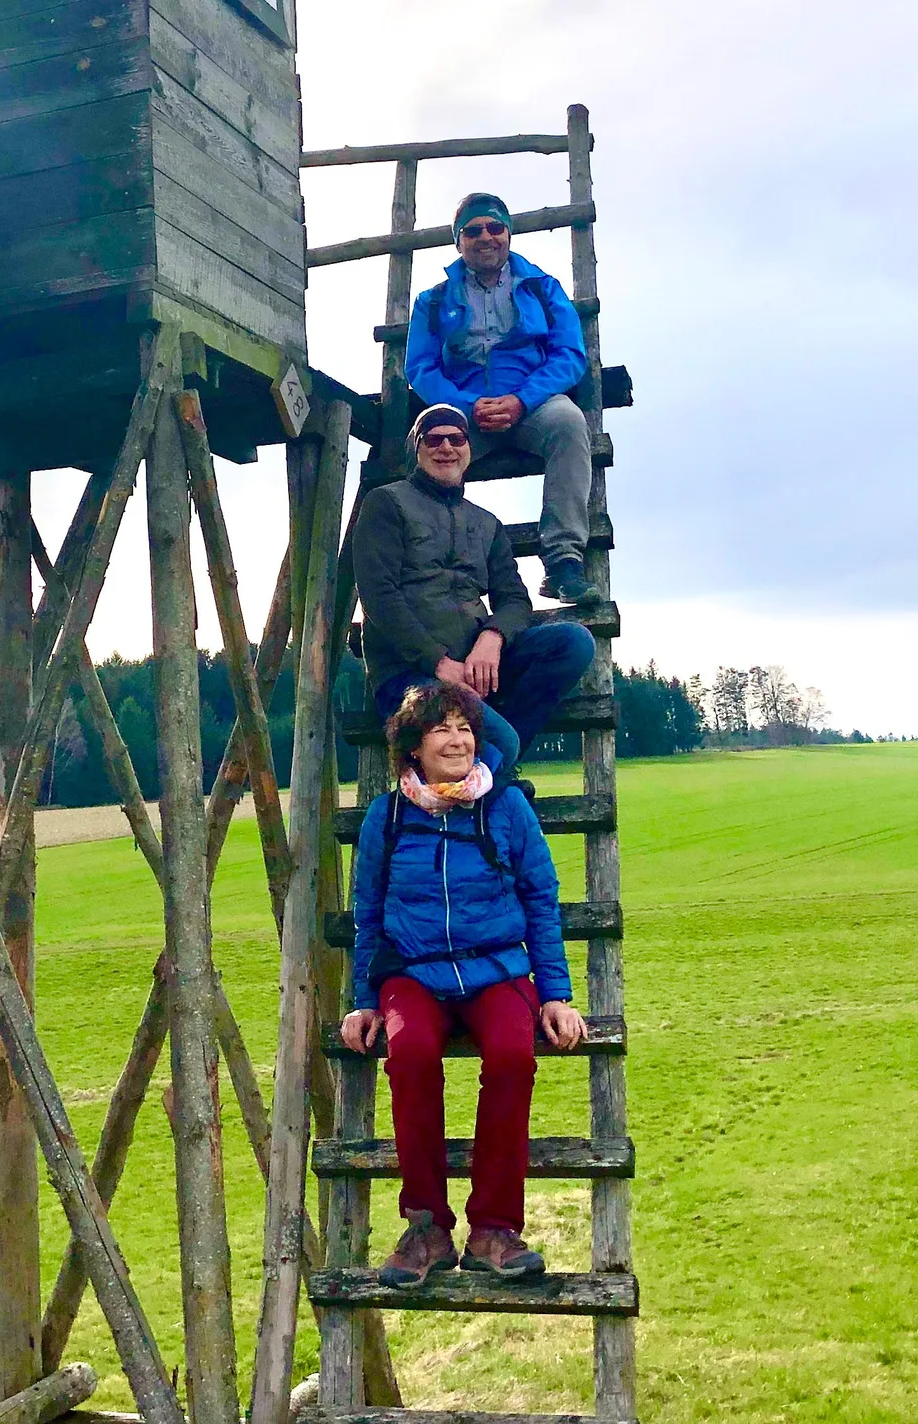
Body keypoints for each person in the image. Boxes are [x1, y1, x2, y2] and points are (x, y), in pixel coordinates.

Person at [340, 680, 587, 1282]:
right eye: (440, 728)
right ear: (412, 748)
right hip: (413, 974)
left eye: (464, 728)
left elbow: (541, 898)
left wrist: (556, 993)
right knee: (412, 1052)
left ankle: (494, 1229)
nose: (456, 739)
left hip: (498, 968)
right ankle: (426, 1227)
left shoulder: (506, 806)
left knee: (511, 1054)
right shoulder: (387, 816)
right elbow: (367, 910)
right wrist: (364, 1001)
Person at [352, 401, 595, 771]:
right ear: (416, 449)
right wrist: (438, 662)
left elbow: (515, 599)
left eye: (456, 439)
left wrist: (493, 638)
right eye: (433, 440)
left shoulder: (486, 524)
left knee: (573, 643)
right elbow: (379, 597)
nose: (445, 448)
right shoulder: (386, 503)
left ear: (468, 450)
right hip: (410, 677)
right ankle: (499, 773)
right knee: (504, 743)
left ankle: (486, 764)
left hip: (476, 671)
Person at [404, 192, 594, 604]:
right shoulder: (432, 301)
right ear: (458, 241)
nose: (485, 237)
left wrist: (522, 400)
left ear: (509, 233)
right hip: (465, 410)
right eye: (472, 231)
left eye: (494, 227)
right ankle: (424, 573)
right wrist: (464, 406)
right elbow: (419, 368)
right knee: (426, 446)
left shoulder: (543, 288)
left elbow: (570, 355)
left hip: (533, 403)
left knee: (569, 423)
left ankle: (563, 560)